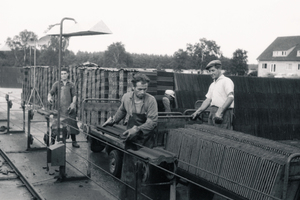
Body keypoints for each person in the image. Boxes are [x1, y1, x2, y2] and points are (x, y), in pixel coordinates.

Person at [102, 73, 158, 199]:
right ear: (133, 87)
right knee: (129, 170)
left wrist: (137, 129)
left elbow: (152, 122)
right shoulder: (126, 97)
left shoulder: (151, 100)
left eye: (145, 89)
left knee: (144, 171)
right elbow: (122, 110)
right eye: (139, 89)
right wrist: (113, 120)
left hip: (146, 140)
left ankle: (143, 197)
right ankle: (127, 196)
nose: (143, 92)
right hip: (131, 139)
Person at [191, 60, 234, 129]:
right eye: (209, 71)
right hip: (213, 111)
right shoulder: (213, 84)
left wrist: (220, 111)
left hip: (224, 113)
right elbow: (208, 100)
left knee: (222, 136)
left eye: (213, 70)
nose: (210, 73)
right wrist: (198, 112)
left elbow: (231, 97)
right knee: (212, 134)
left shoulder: (226, 81)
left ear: (219, 69)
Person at [48, 68, 80, 148]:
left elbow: (74, 95)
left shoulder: (71, 84)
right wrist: (49, 97)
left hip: (69, 109)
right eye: (62, 74)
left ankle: (74, 141)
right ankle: (52, 141)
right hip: (59, 109)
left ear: (68, 74)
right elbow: (51, 92)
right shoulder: (56, 84)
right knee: (56, 125)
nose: (63, 75)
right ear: (60, 75)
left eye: (65, 73)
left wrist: (73, 103)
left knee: (72, 125)